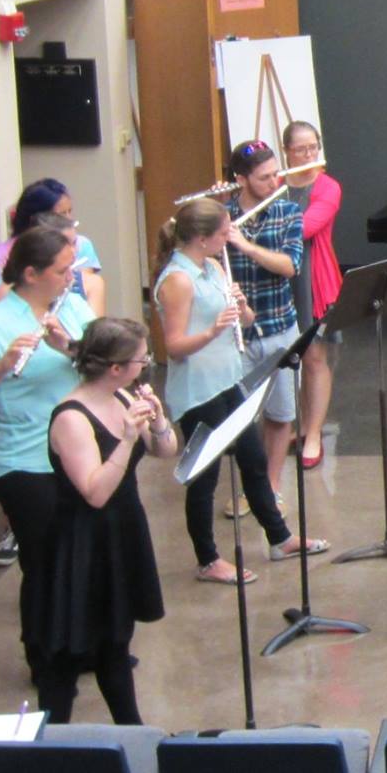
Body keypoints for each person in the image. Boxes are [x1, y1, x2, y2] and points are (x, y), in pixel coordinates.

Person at [0, 226, 93, 696]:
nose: (72, 277)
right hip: (24, 462)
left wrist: (67, 346)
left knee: (81, 555)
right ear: (31, 274)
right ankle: (44, 657)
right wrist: (2, 365)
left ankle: (81, 645)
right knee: (44, 561)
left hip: (76, 450)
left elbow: (105, 362)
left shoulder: (69, 307)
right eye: (62, 270)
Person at [153, 198, 319, 583]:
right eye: (224, 232)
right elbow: (174, 346)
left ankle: (279, 538)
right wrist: (213, 329)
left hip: (227, 380)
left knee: (254, 459)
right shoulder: (177, 280)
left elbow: (241, 320)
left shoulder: (210, 266)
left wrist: (242, 311)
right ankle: (208, 560)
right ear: (200, 237)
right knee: (205, 478)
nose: (230, 237)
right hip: (197, 391)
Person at [33, 318, 174, 723]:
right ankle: (48, 744)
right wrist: (127, 441)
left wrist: (158, 421)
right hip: (81, 543)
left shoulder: (123, 399)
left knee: (116, 641)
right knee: (68, 651)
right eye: (141, 359)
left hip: (122, 533)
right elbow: (95, 492)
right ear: (115, 368)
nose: (145, 365)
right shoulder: (72, 418)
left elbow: (165, 451)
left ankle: (132, 733)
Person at [223, 140, 309, 500]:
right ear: (240, 180)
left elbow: (290, 266)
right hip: (233, 336)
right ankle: (248, 489)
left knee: (280, 414)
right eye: (264, 177)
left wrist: (245, 245)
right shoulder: (222, 217)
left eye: (276, 174)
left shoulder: (288, 212)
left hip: (279, 329)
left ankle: (271, 487)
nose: (275, 182)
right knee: (239, 421)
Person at [281, 120, 341, 470]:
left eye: (312, 148)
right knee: (286, 359)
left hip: (312, 279)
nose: (308, 155)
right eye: (300, 149)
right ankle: (295, 426)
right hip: (277, 278)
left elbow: (306, 227)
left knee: (314, 358)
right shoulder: (275, 185)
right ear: (287, 151)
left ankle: (313, 432)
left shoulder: (328, 187)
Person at [0, 178, 105, 315]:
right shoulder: (1, 256)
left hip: (67, 313)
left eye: (69, 211)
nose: (69, 220)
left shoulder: (82, 245)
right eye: (61, 214)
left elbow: (83, 288)